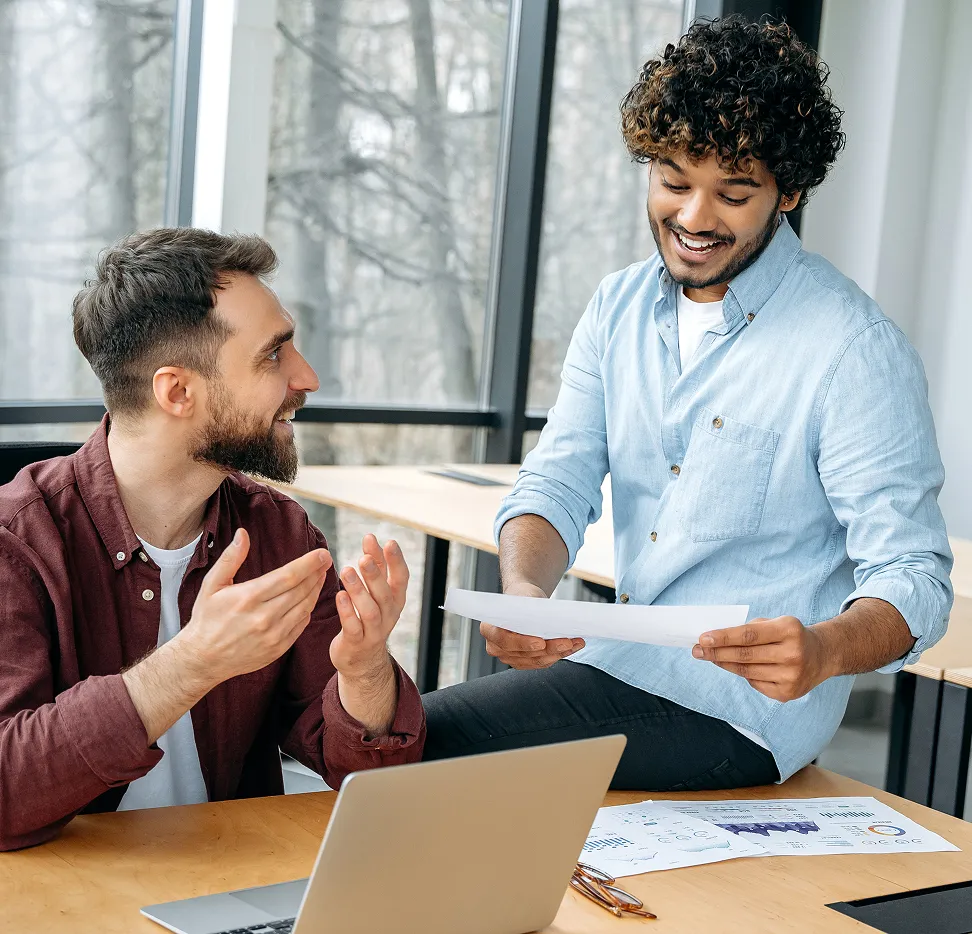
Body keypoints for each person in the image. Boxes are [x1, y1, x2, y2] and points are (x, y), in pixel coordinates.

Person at [423, 17, 952, 789]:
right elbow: (558, 480)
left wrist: (828, 649)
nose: (696, 219)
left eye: (734, 194)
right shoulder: (618, 308)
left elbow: (914, 573)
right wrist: (527, 594)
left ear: (789, 190)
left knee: (408, 742)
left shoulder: (854, 349)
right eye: (674, 182)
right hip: (621, 665)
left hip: (743, 711)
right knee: (374, 730)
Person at [0, 229, 425, 851]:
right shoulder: (18, 540)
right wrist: (191, 663)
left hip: (223, 885)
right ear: (177, 392)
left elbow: (370, 779)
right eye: (273, 355)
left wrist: (364, 674)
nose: (305, 377)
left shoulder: (277, 530)